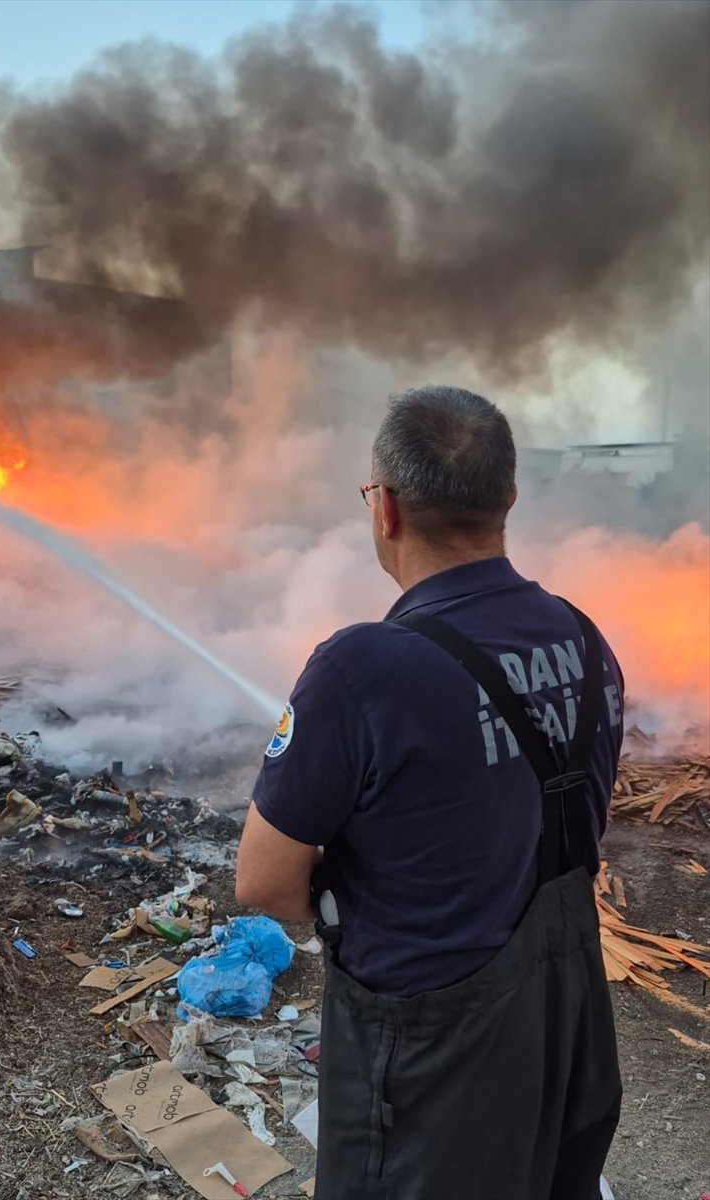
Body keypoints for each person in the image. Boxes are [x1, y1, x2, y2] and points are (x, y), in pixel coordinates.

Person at [235, 385, 624, 1200]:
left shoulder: (360, 668)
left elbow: (264, 884)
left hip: (426, 1053)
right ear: (508, 499)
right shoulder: (585, 638)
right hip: (569, 1024)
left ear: (386, 511)